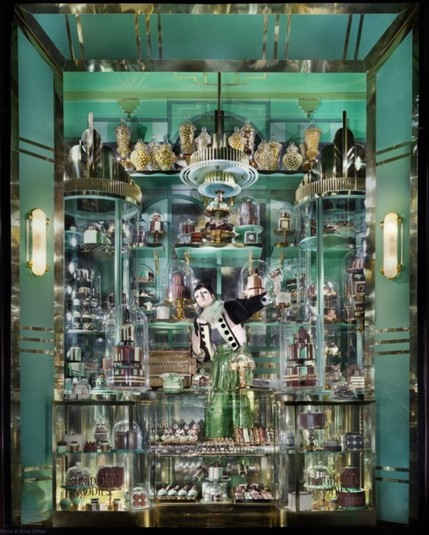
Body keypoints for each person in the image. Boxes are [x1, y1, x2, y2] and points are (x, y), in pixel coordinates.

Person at [191, 282, 273, 439]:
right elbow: (204, 350)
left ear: (212, 294)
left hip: (238, 358)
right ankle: (217, 444)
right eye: (197, 296)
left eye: (204, 293)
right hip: (219, 362)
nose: (201, 297)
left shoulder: (228, 307)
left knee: (240, 401)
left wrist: (271, 294)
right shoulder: (200, 321)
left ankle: (243, 444)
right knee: (218, 403)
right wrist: (199, 354)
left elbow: (251, 305)